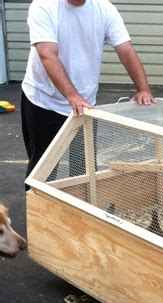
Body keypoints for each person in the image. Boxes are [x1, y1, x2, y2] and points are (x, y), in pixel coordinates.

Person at [21, 0, 155, 184]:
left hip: (84, 105)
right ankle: (38, 212)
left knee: (82, 169)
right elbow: (47, 54)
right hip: (44, 101)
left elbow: (125, 49)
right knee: (43, 169)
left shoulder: (104, 8)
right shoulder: (44, 5)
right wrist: (72, 95)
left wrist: (143, 88)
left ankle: (78, 210)